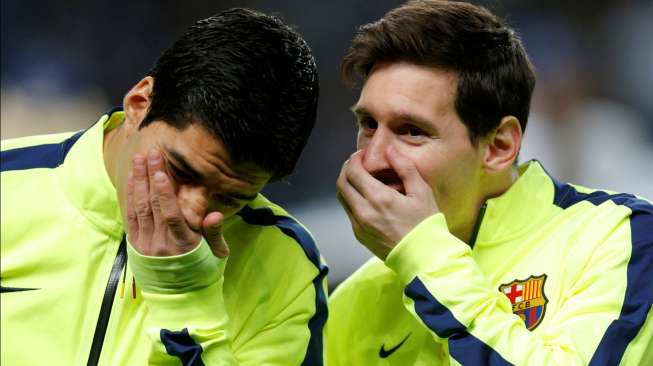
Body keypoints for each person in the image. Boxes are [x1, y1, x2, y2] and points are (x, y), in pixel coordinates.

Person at [326, 1, 653, 365]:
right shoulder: (356, 298)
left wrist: (424, 258)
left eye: (412, 132)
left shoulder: (620, 238)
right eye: (369, 125)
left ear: (499, 146)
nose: (372, 159)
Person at [1, 8, 327, 365]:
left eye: (230, 198)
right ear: (139, 103)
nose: (191, 211)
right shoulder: (8, 185)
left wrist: (188, 303)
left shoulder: (289, 270)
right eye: (180, 171)